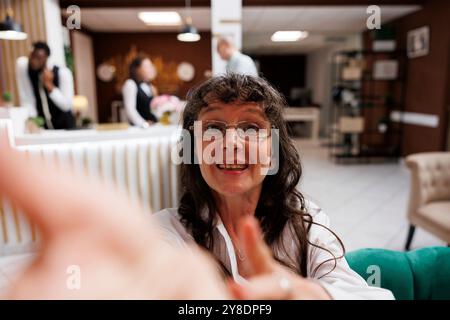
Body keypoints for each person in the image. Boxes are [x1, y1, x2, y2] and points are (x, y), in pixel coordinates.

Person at [154, 74, 394, 299]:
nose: (230, 143)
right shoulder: (167, 230)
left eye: (251, 128)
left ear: (273, 152)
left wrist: (303, 293)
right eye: (213, 129)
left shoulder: (306, 222)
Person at [16, 41, 75, 130]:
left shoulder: (63, 73)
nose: (33, 61)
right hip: (44, 127)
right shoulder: (25, 68)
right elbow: (26, 96)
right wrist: (32, 119)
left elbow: (66, 106)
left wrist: (49, 85)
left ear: (46, 58)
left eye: (38, 58)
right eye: (32, 56)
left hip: (65, 126)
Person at [122, 56, 158, 128]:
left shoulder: (150, 86)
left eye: (151, 66)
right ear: (137, 69)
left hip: (152, 128)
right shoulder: (130, 84)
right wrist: (144, 124)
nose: (150, 69)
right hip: (138, 129)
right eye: (147, 66)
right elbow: (130, 110)